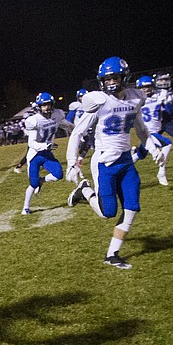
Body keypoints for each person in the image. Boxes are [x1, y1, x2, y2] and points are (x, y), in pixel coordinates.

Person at [65, 56, 147, 270]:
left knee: (132, 208)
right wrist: (71, 162)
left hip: (127, 161)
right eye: (107, 79)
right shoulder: (99, 101)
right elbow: (77, 133)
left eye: (115, 77)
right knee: (107, 213)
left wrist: (149, 145)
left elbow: (140, 126)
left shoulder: (135, 98)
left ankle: (112, 254)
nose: (111, 82)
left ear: (124, 77)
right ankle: (85, 191)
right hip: (105, 163)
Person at [20, 92, 72, 214]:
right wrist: (45, 145)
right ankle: (25, 207)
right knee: (33, 184)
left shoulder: (57, 115)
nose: (47, 108)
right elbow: (31, 143)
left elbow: (66, 125)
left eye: (48, 104)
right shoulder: (34, 120)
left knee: (58, 174)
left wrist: (77, 130)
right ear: (39, 107)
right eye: (44, 105)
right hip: (35, 155)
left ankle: (41, 181)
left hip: (47, 154)